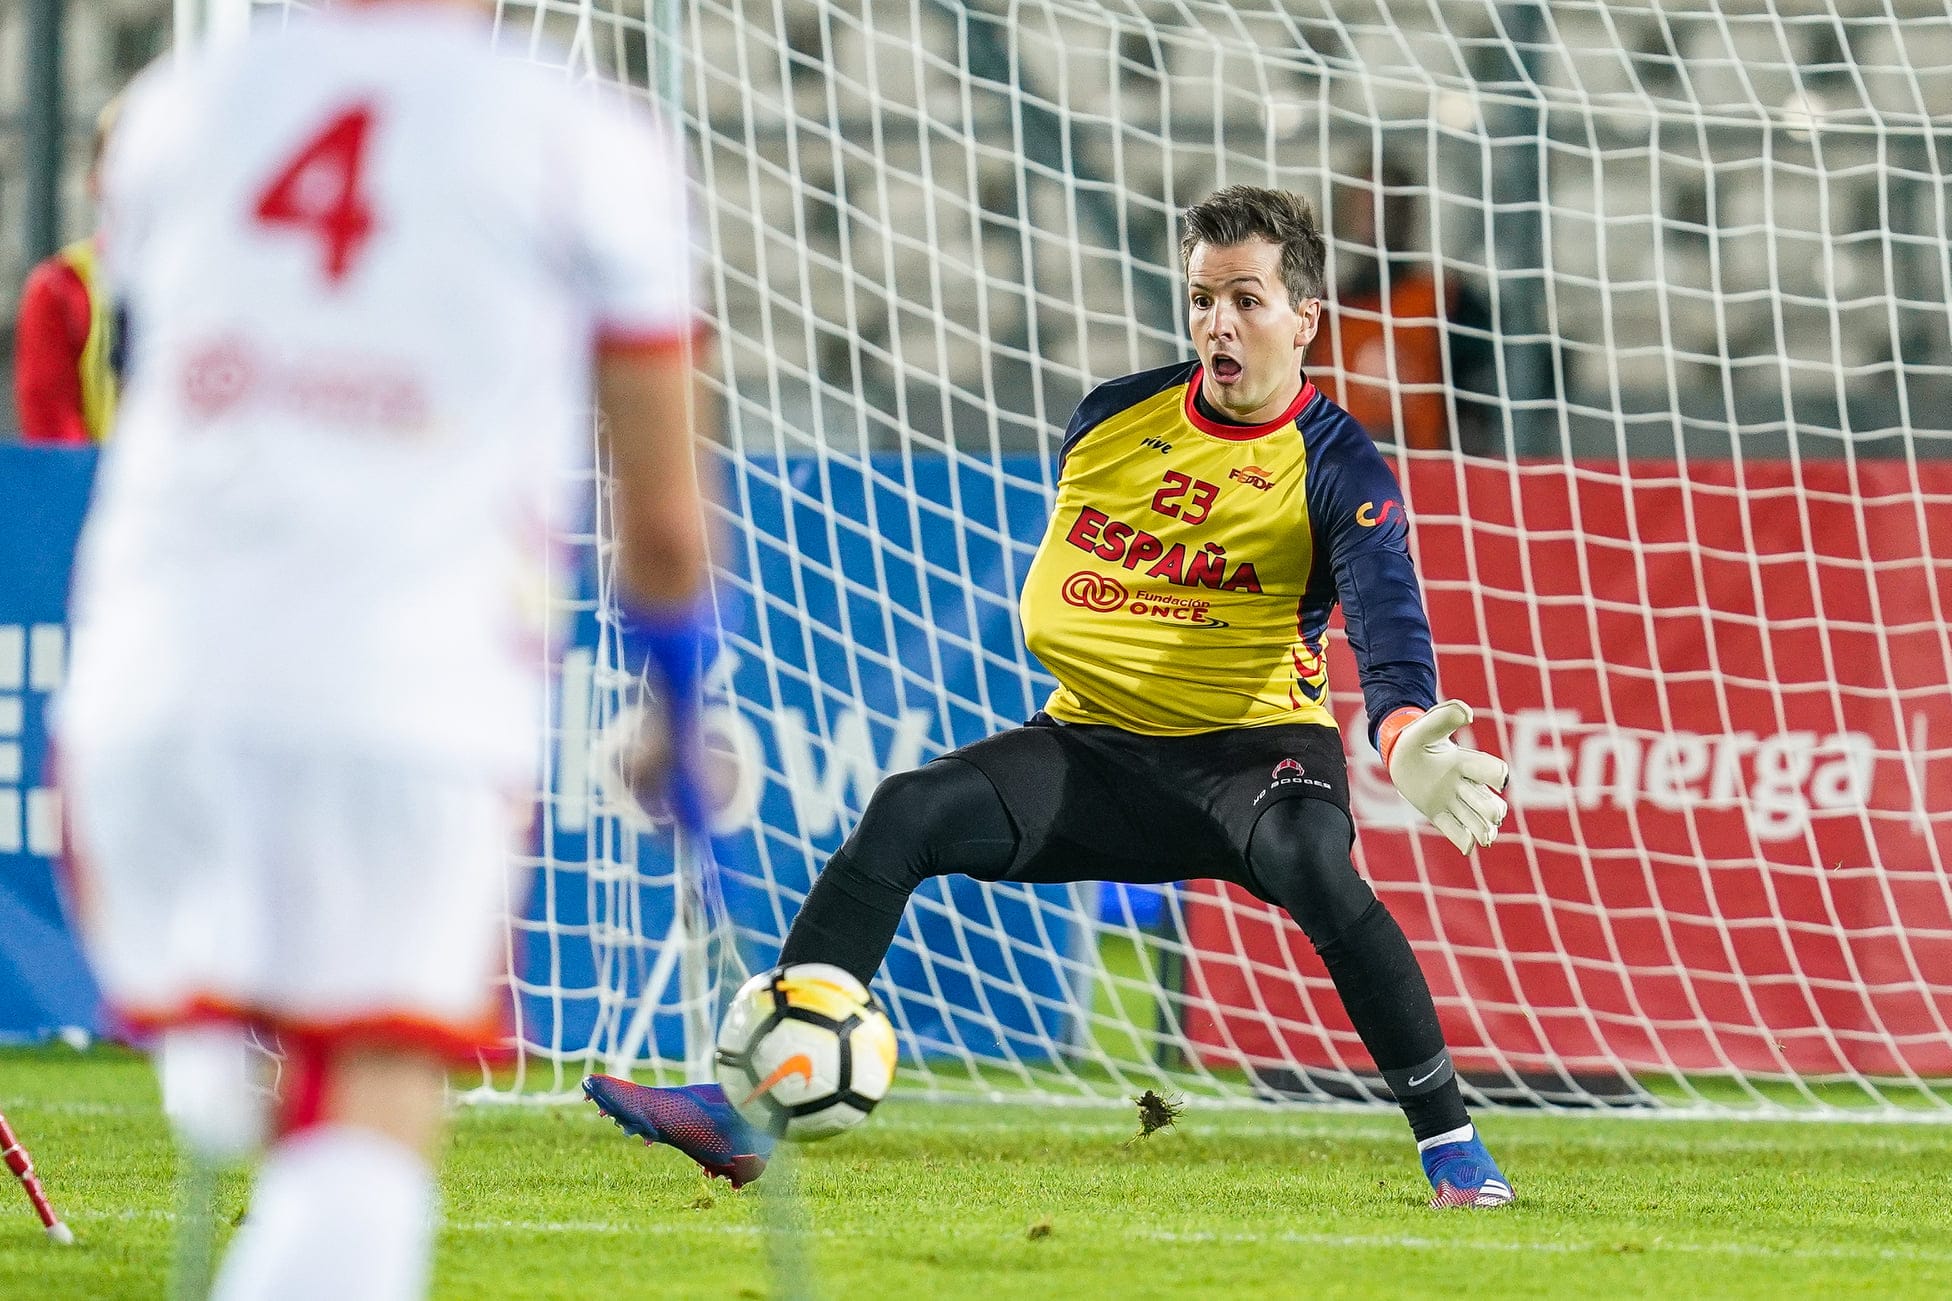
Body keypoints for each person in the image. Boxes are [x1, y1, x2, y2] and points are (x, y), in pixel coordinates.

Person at [584, 186, 1517, 1209]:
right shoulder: (1113, 417)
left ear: (1304, 317)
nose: (1217, 322)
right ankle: (743, 1108)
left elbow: (1388, 631)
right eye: (1202, 298)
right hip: (1092, 751)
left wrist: (1400, 732)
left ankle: (1453, 1150)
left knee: (1307, 856)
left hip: (1250, 759)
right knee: (907, 808)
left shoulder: (1339, 463)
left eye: (1245, 300)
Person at [57, 1, 714, 1296]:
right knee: (370, 1102)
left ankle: (227, 1060)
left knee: (274, 1076)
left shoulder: (168, 117)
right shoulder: (586, 139)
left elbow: (147, 382)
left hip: (147, 691)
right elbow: (666, 526)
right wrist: (678, 713)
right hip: (400, 695)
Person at [1309, 159, 1498, 454]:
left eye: (1388, 204)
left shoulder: (1444, 300)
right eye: (1366, 206)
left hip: (1423, 475)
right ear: (1345, 213)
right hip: (1334, 477)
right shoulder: (1319, 309)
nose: (1376, 218)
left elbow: (1483, 397)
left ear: (1409, 213)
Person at [13, 98, 122, 445]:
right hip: (102, 496)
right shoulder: (60, 289)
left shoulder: (223, 285)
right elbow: (56, 443)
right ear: (94, 182)